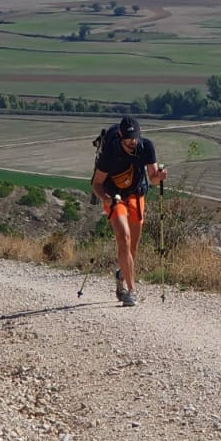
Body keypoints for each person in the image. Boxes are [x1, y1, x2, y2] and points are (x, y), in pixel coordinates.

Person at [91, 116, 166, 307]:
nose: (133, 142)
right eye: (128, 139)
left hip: (136, 194)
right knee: (123, 237)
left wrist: (160, 176)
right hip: (114, 196)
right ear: (120, 136)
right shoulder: (111, 152)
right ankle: (131, 291)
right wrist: (106, 198)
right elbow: (97, 183)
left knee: (132, 247)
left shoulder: (146, 146)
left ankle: (121, 276)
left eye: (135, 138)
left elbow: (153, 179)